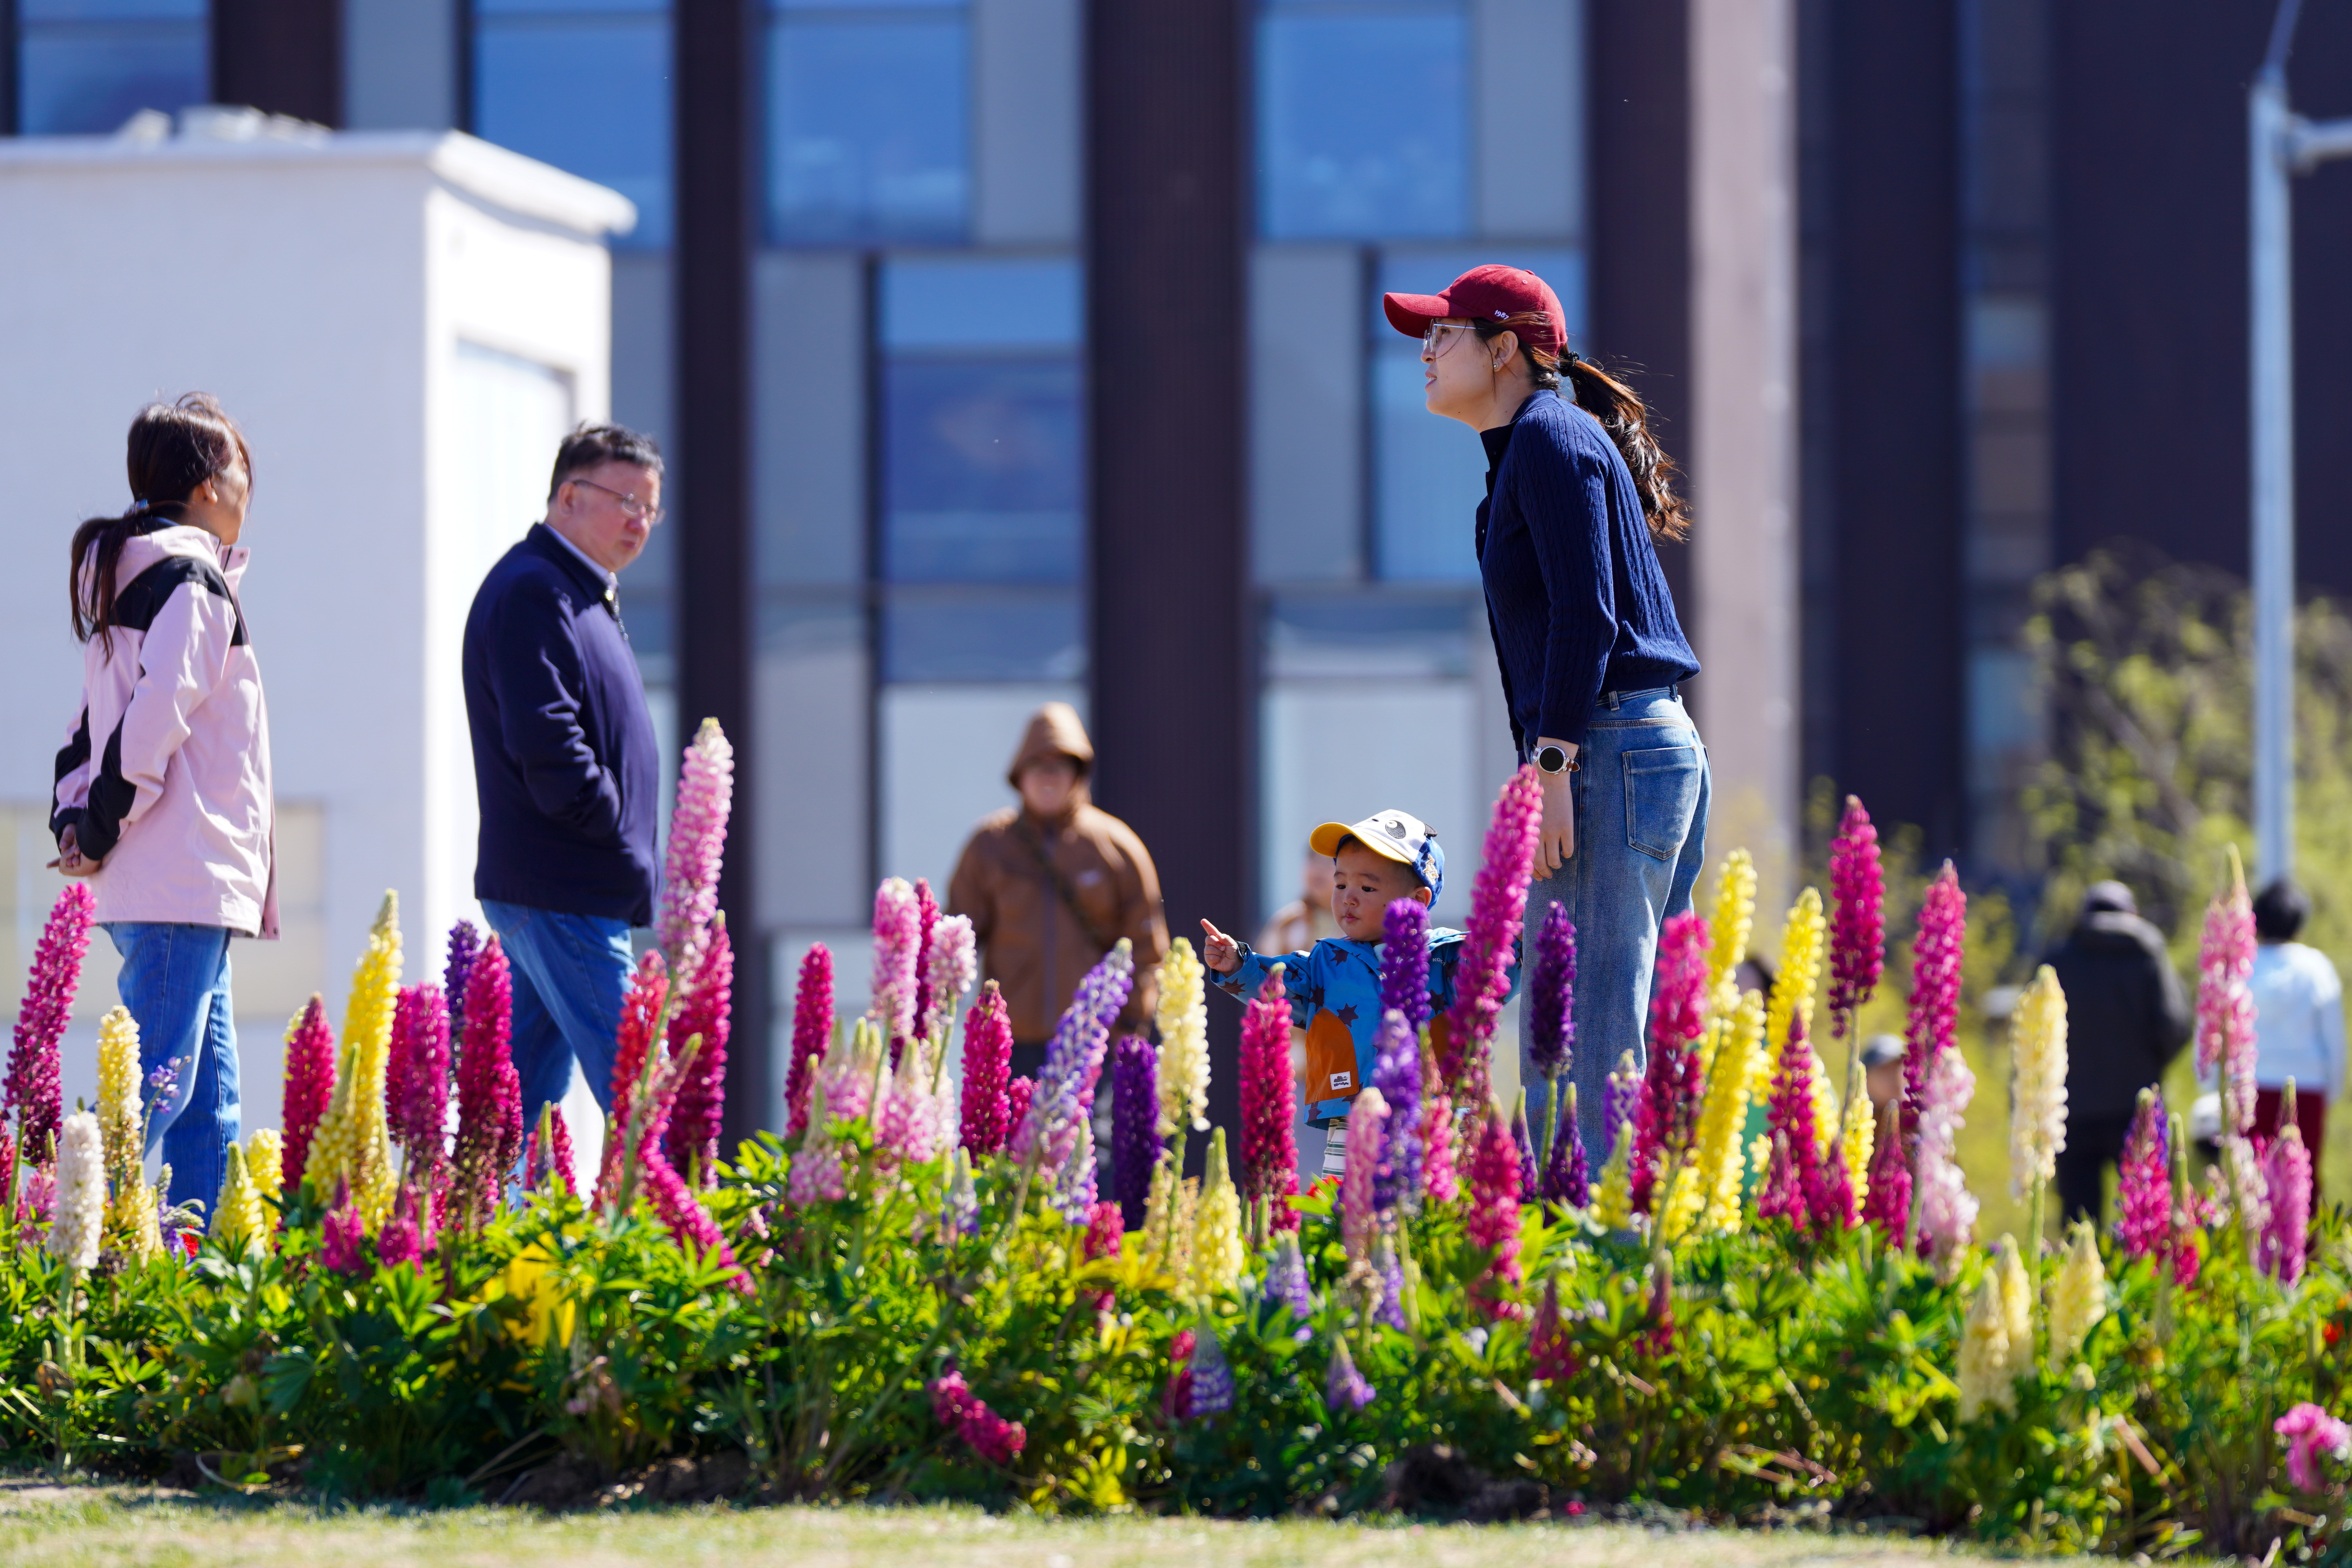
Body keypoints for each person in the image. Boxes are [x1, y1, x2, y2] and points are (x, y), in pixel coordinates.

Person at [1385, 264, 1707, 1160]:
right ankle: (1637, 1226)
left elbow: (1586, 614)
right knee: (1623, 1034)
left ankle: (1594, 1237)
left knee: (1582, 1044)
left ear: (1503, 349)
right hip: (1631, 743)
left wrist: (1553, 763)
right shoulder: (1534, 446)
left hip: (1607, 745)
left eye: (1443, 333)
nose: (1425, 351)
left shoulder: (1546, 436)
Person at [50, 394, 272, 1212]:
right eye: (242, 471)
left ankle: (203, 1261)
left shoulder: (130, 573)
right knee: (153, 1091)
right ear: (209, 486)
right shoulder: (192, 581)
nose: (249, 488)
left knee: (207, 1106)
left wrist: (77, 817)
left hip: (168, 879)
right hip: (182, 873)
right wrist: (95, 823)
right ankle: (61, 1239)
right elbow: (150, 722)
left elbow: (86, 726)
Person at [463, 423, 665, 1132]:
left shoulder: (575, 591)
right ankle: (686, 1217)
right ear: (570, 496)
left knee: (508, 1129)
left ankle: (477, 1210)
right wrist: (606, 821)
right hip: (566, 888)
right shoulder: (536, 591)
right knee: (647, 1109)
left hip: (566, 887)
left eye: (651, 508)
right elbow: (547, 741)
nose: (640, 521)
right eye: (627, 501)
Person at [1200, 810, 1505, 1177]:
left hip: (1432, 1120)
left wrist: (1517, 940)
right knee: (1346, 1203)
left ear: (1418, 899)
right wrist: (1237, 963)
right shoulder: (1327, 960)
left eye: (1367, 888)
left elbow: (1497, 975)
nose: (1348, 898)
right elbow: (1277, 982)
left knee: (1431, 1207)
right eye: (1341, 884)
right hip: (1351, 1117)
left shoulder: (1446, 956)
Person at [948, 703, 1168, 1077]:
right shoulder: (989, 846)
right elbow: (958, 936)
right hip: (1010, 1040)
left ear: (1078, 774)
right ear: (1019, 775)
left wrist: (1131, 1025)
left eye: (1060, 766)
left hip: (1092, 1039)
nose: (1047, 778)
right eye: (1037, 766)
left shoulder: (1115, 846)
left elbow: (1146, 947)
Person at [2047, 880, 2190, 1222]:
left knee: (2078, 1221)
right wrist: (2149, 1065)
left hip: (2072, 1110)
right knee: (2149, 1215)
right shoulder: (2147, 953)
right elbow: (2176, 1024)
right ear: (2132, 913)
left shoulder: (2059, 958)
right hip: (2137, 1106)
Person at [2248, 878, 2342, 1203]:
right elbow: (2334, 1040)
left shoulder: (2246, 965)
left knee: (2252, 1186)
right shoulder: (2316, 968)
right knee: (2302, 1187)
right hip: (2308, 1088)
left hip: (2250, 1089)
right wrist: (2331, 1089)